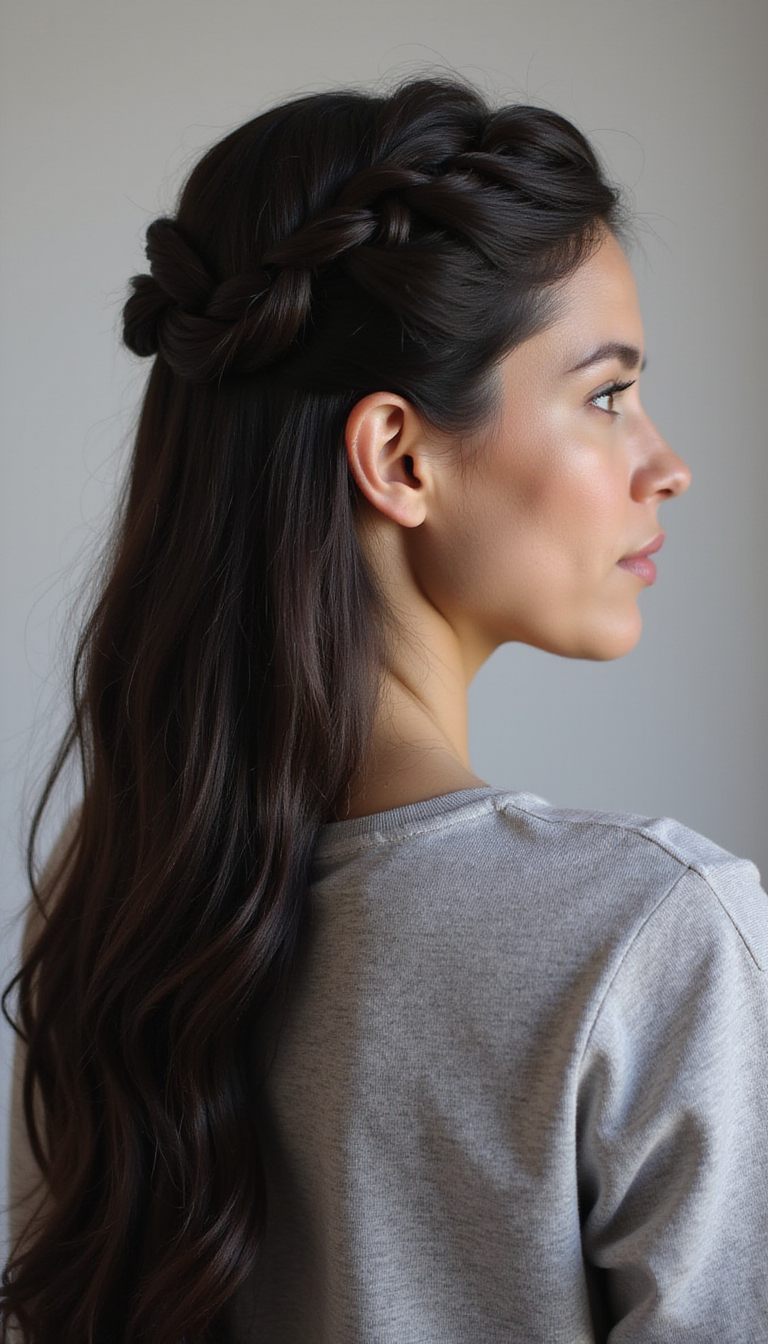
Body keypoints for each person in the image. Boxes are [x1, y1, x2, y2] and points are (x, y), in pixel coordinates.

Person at [3, 77, 767, 1344]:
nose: (664, 464)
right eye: (608, 395)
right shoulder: (652, 939)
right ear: (400, 458)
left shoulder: (114, 907)